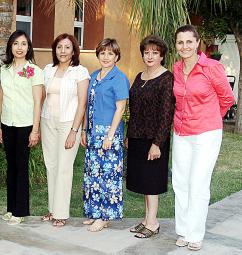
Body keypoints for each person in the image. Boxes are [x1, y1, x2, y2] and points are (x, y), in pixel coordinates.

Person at [172, 25, 234, 251]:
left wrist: (210, 120)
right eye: (180, 42)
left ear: (197, 43)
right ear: (176, 45)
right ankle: (184, 230)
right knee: (180, 183)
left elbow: (227, 98)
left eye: (189, 42)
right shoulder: (177, 68)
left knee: (198, 183)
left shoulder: (212, 67)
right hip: (181, 132)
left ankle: (195, 234)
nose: (185, 46)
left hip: (206, 134)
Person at [125, 35, 175, 238]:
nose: (150, 56)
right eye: (147, 52)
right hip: (137, 136)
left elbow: (166, 114)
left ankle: (153, 223)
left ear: (162, 55)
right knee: (143, 181)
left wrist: (157, 144)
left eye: (155, 52)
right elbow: (134, 109)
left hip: (154, 139)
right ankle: (146, 220)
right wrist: (129, 135)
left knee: (152, 182)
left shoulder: (166, 78)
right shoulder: (139, 76)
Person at [0, 30, 44, 225]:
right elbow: (0, 98)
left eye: (23, 44)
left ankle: (20, 210)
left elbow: (37, 102)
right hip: (7, 123)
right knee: (11, 166)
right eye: (16, 43)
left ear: (28, 47)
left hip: (25, 125)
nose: (19, 47)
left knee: (21, 167)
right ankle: (11, 208)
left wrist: (35, 130)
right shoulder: (4, 70)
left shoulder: (34, 71)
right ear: (10, 47)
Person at [40, 33, 89, 227]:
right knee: (51, 165)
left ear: (73, 50)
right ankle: (52, 209)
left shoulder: (80, 71)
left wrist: (74, 130)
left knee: (64, 167)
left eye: (67, 47)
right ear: (55, 49)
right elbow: (42, 96)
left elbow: (82, 104)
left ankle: (61, 213)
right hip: (48, 121)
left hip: (68, 123)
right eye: (59, 47)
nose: (63, 51)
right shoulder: (48, 69)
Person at [81, 38, 129, 232]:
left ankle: (105, 216)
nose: (106, 57)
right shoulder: (94, 76)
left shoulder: (118, 78)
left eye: (110, 53)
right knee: (93, 174)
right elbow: (87, 105)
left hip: (109, 133)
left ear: (116, 56)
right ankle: (94, 212)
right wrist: (85, 129)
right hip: (93, 131)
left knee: (108, 175)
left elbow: (120, 109)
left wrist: (109, 136)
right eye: (102, 53)